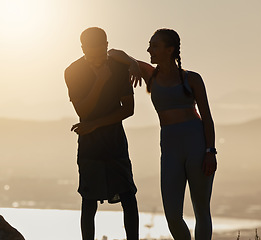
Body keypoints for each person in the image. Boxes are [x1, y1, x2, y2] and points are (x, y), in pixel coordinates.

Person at [109, 28, 217, 240]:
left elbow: (207, 117)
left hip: (197, 144)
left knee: (201, 210)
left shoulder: (192, 79)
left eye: (154, 46)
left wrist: (210, 151)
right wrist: (131, 63)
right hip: (169, 147)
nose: (149, 49)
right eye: (149, 45)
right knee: (172, 216)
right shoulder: (150, 74)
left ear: (170, 50)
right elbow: (112, 52)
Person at [64, 27, 139, 240]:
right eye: (91, 54)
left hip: (115, 142)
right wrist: (100, 81)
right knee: (88, 200)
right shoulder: (73, 71)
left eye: (101, 53)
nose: (98, 59)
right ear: (83, 48)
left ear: (106, 46)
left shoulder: (118, 66)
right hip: (90, 146)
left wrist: (95, 124)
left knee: (128, 196)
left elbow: (129, 109)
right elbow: (83, 111)